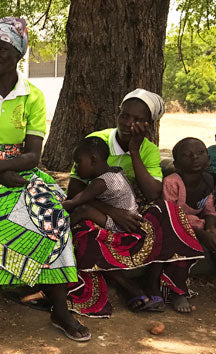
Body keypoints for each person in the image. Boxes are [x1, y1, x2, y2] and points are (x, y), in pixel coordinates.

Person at [0, 17, 89, 348]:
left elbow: (33, 155)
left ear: (18, 53)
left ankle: (60, 310)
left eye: (1, 49)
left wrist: (1, 170)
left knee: (52, 215)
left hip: (16, 170)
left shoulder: (33, 96)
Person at [66, 89, 204, 317]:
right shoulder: (96, 142)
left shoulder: (148, 149)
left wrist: (134, 151)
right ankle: (127, 288)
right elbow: (75, 190)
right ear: (118, 114)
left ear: (149, 124)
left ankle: (153, 283)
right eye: (125, 116)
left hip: (134, 214)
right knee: (83, 229)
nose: (129, 123)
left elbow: (153, 194)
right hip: (100, 211)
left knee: (167, 210)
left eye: (138, 119)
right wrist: (112, 212)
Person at [160, 137, 216, 312]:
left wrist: (210, 227)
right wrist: (200, 232)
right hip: (174, 227)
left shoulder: (208, 181)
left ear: (208, 158)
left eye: (200, 153)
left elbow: (209, 209)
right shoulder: (172, 182)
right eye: (187, 155)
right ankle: (178, 292)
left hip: (199, 226)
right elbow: (171, 215)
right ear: (177, 163)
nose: (195, 157)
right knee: (182, 250)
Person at [63, 136, 140, 231]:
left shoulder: (101, 182)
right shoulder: (115, 171)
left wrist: (55, 207)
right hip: (132, 216)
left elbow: (74, 202)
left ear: (93, 160)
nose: (75, 168)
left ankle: (60, 230)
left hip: (121, 223)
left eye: (78, 162)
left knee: (83, 210)